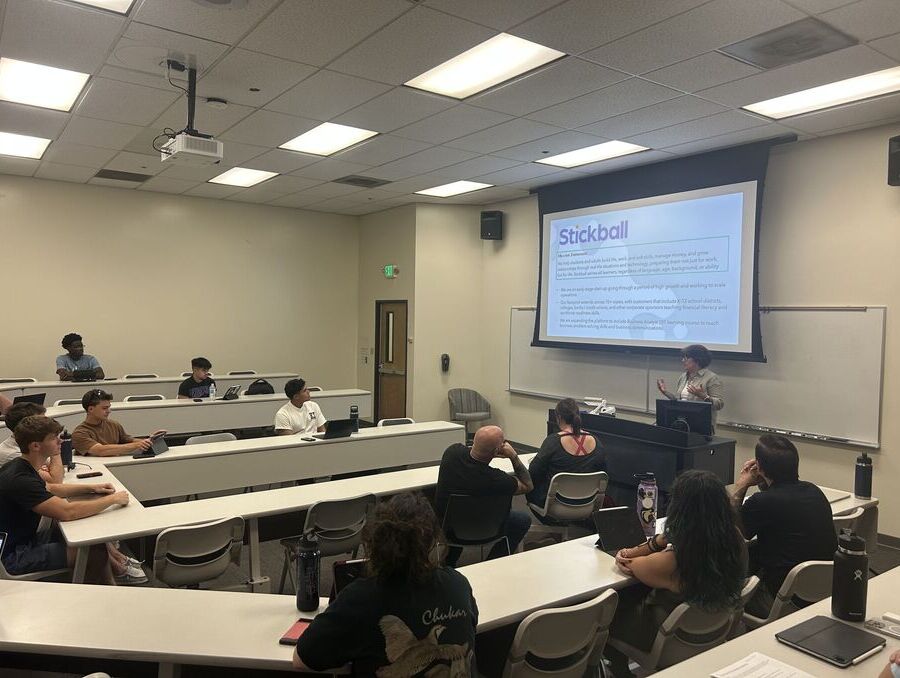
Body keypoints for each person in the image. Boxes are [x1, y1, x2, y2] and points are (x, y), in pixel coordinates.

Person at [293, 493, 478, 675]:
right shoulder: (458, 584)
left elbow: (301, 660)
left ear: (373, 543)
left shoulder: (362, 599)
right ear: (433, 543)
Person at [605, 470, 747, 678]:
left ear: (679, 508)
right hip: (714, 628)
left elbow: (629, 563)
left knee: (610, 607)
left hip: (670, 638)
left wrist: (629, 552)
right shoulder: (736, 539)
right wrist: (665, 538)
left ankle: (619, 671)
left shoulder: (671, 562)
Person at [0, 415, 129, 583]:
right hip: (12, 555)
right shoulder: (20, 479)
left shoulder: (20, 465)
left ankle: (114, 576)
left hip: (22, 539)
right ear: (36, 446)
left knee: (90, 536)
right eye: (54, 438)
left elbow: (51, 488)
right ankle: (106, 597)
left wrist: (92, 487)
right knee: (94, 552)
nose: (60, 441)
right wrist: (113, 499)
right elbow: (68, 512)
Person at [731, 434, 837, 618]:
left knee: (735, 572)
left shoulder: (761, 502)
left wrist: (742, 484)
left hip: (783, 599)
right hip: (822, 592)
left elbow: (732, 533)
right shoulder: (814, 491)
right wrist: (765, 481)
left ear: (760, 467)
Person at [435, 425, 532, 566]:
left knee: (455, 514)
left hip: (449, 528)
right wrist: (514, 456)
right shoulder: (499, 480)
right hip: (489, 529)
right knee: (522, 520)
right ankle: (493, 563)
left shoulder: (451, 453)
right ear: (498, 451)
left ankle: (448, 563)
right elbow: (528, 485)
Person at [526, 397, 605, 507]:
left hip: (555, 504)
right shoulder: (596, 441)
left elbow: (533, 472)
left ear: (559, 417)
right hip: (587, 502)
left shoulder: (553, 441)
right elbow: (603, 473)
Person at [71, 389, 164, 457]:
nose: (109, 411)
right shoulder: (80, 433)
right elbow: (100, 450)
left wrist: (150, 440)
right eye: (104, 408)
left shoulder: (113, 424)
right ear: (90, 409)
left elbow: (129, 440)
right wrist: (136, 445)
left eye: (109, 407)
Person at [656, 344, 724, 430]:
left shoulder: (712, 378)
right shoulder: (683, 376)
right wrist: (665, 392)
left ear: (697, 360)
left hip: (702, 426)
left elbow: (719, 405)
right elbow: (679, 402)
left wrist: (703, 396)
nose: (682, 360)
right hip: (682, 423)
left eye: (686, 358)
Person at [0, 402, 62, 482]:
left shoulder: (34, 443)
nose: (48, 424)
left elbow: (56, 469)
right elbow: (55, 481)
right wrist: (55, 450)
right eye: (42, 421)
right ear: (28, 424)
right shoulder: (12, 454)